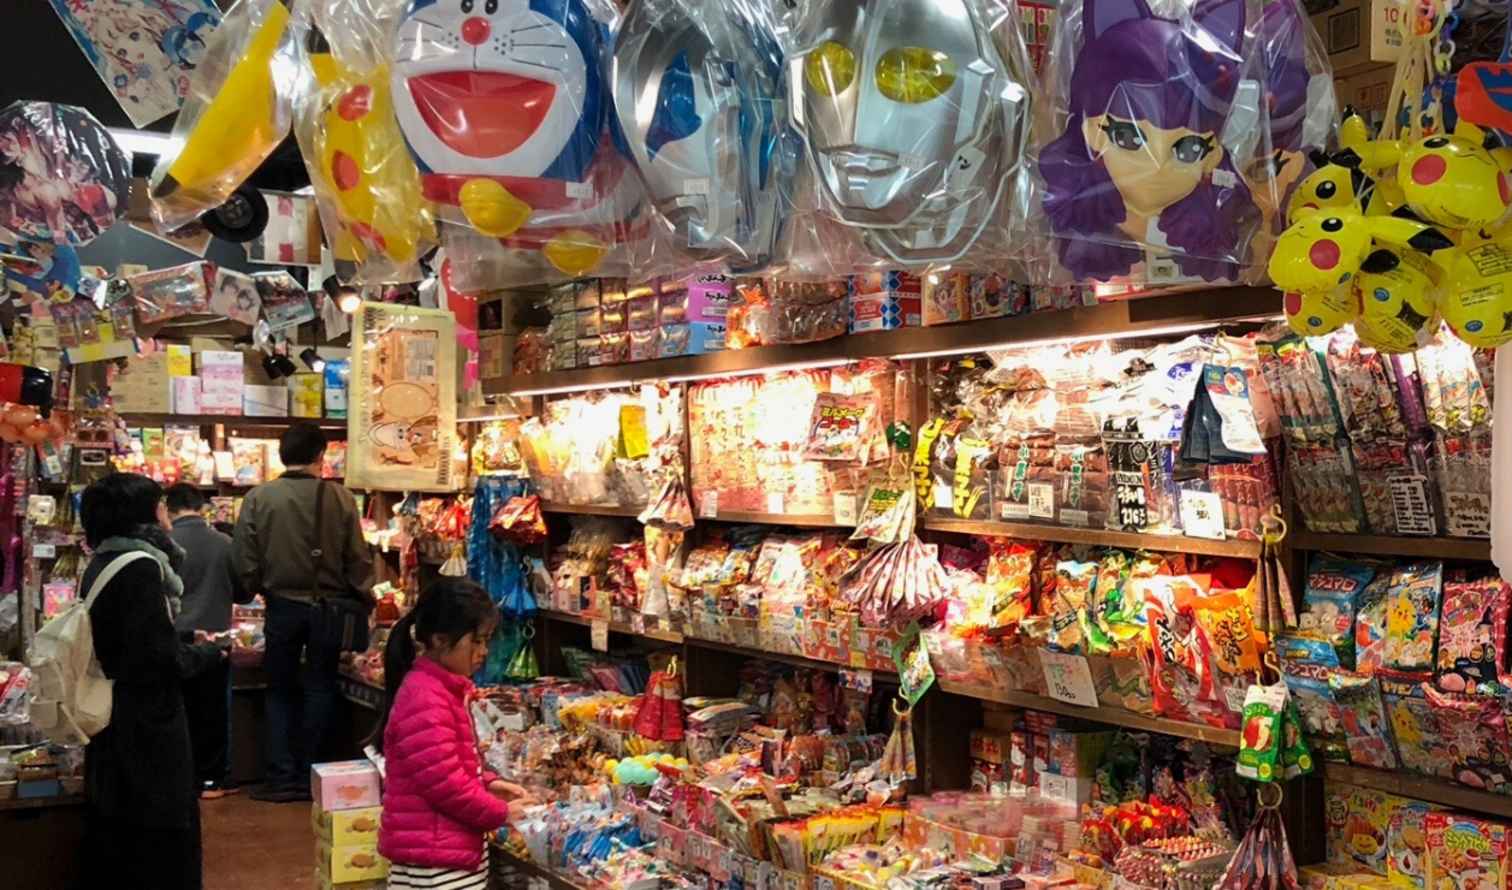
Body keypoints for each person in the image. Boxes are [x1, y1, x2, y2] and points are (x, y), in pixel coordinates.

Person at [78, 473, 224, 890]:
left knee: (125, 827)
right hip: (146, 722)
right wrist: (209, 653)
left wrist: (182, 638)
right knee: (160, 832)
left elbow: (132, 635)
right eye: (159, 505)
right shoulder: (140, 567)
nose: (166, 513)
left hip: (116, 714)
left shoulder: (104, 560)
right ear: (141, 515)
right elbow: (159, 659)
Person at [233, 422, 373, 803]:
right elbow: (358, 557)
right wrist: (363, 596)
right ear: (320, 455)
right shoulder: (340, 498)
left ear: (282, 454)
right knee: (320, 686)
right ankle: (313, 774)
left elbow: (244, 557)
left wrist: (252, 588)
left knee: (279, 690)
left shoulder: (259, 498)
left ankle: (280, 777)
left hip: (281, 605)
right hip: (329, 607)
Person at [377, 578, 531, 888]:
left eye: (487, 641)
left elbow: (448, 764)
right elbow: (447, 786)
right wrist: (501, 812)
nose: (484, 651)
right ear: (439, 640)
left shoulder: (443, 690)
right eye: (477, 641)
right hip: (436, 863)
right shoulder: (425, 699)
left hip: (444, 851)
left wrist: (490, 783)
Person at [165, 482, 251, 799]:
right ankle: (211, 780)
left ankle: (178, 778)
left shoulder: (163, 544)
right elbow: (244, 591)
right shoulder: (224, 543)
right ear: (202, 507)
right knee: (212, 711)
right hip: (215, 639)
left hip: (173, 638)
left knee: (175, 710)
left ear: (168, 508)